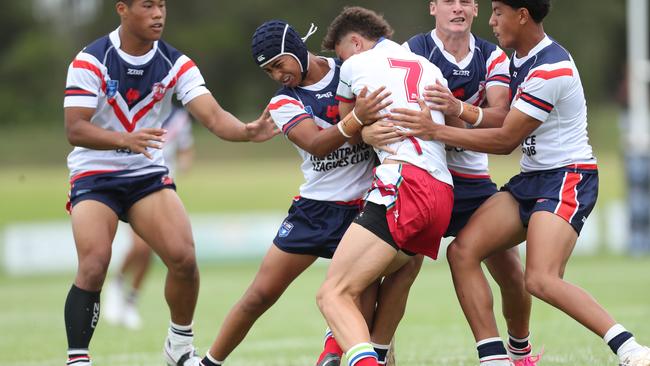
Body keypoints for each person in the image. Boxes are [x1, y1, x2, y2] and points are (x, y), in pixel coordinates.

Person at [388, 1, 650, 365]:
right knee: (462, 253)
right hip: (531, 179)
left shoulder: (550, 69)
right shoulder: (516, 60)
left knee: (540, 279)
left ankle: (631, 349)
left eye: (498, 12)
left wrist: (438, 129)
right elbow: (499, 117)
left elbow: (505, 139)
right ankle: (495, 358)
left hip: (567, 177)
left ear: (522, 15)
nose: (492, 21)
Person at [63, 1, 277, 365]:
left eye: (162, 5)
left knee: (183, 259)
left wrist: (245, 131)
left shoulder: (176, 63)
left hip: (145, 175)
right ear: (123, 10)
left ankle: (178, 347)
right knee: (96, 262)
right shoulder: (90, 60)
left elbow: (212, 115)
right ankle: (78, 358)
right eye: (148, 5)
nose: (158, 13)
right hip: (94, 174)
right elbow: (75, 128)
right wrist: (125, 139)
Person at [198, 20, 394, 366]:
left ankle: (331, 354)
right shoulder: (283, 102)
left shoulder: (349, 69)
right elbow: (316, 144)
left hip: (364, 209)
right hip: (315, 211)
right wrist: (356, 119)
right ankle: (209, 362)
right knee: (259, 295)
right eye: (268, 70)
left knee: (360, 290)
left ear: (298, 49)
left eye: (279, 63)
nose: (277, 75)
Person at [363, 1, 536, 364]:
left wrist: (455, 112)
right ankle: (371, 351)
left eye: (465, 2)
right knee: (394, 268)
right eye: (448, 2)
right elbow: (386, 109)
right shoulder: (412, 51)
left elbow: (502, 119)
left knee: (510, 271)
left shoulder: (492, 58)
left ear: (475, 10)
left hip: (472, 181)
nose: (457, 8)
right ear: (433, 8)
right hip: (422, 175)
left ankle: (519, 351)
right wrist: (366, 130)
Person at [315, 7, 454, 366]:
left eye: (342, 53)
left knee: (334, 294)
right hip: (440, 191)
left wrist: (362, 129)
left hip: (403, 183)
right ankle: (373, 354)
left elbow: (348, 127)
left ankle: (355, 359)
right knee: (393, 276)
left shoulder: (354, 64)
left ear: (356, 43)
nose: (340, 62)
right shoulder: (429, 67)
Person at [103, 107, 195, 330]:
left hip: (163, 184)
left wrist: (184, 164)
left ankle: (131, 301)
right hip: (136, 183)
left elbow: (186, 148)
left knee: (153, 249)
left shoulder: (179, 118)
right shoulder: (140, 112)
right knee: (140, 247)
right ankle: (116, 286)